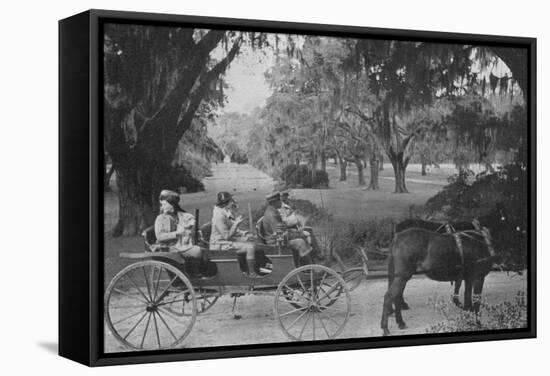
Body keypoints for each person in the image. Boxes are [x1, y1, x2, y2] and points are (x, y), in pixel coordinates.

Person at [209, 192, 261, 277]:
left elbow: (233, 230)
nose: (233, 202)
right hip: (219, 245)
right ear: (226, 202)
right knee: (250, 247)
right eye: (231, 201)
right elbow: (226, 236)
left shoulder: (225, 212)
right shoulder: (219, 216)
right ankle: (251, 274)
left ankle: (249, 268)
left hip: (226, 241)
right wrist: (236, 224)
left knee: (252, 240)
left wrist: (245, 234)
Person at [154, 189, 203, 276]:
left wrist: (191, 222)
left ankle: (193, 271)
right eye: (162, 204)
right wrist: (177, 233)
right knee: (197, 250)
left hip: (178, 244)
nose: (162, 207)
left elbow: (187, 218)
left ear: (172, 205)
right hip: (168, 247)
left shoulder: (177, 215)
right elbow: (159, 237)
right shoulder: (161, 218)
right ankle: (194, 273)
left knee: (201, 246)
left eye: (164, 204)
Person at [262, 191, 313, 265]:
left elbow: (282, 229)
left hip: (276, 239)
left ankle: (305, 265)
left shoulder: (272, 210)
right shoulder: (273, 215)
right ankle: (309, 268)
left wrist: (297, 233)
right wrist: (300, 234)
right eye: (279, 200)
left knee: (302, 235)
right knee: (300, 242)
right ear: (273, 203)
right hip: (275, 243)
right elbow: (280, 235)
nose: (281, 202)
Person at [279, 189, 323, 260]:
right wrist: (295, 216)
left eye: (286, 195)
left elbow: (293, 216)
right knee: (306, 233)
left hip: (293, 228)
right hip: (288, 230)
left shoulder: (287, 205)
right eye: (284, 195)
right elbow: (286, 222)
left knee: (309, 229)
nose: (286, 197)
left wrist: (295, 216)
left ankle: (317, 254)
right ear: (280, 196)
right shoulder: (280, 208)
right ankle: (316, 256)